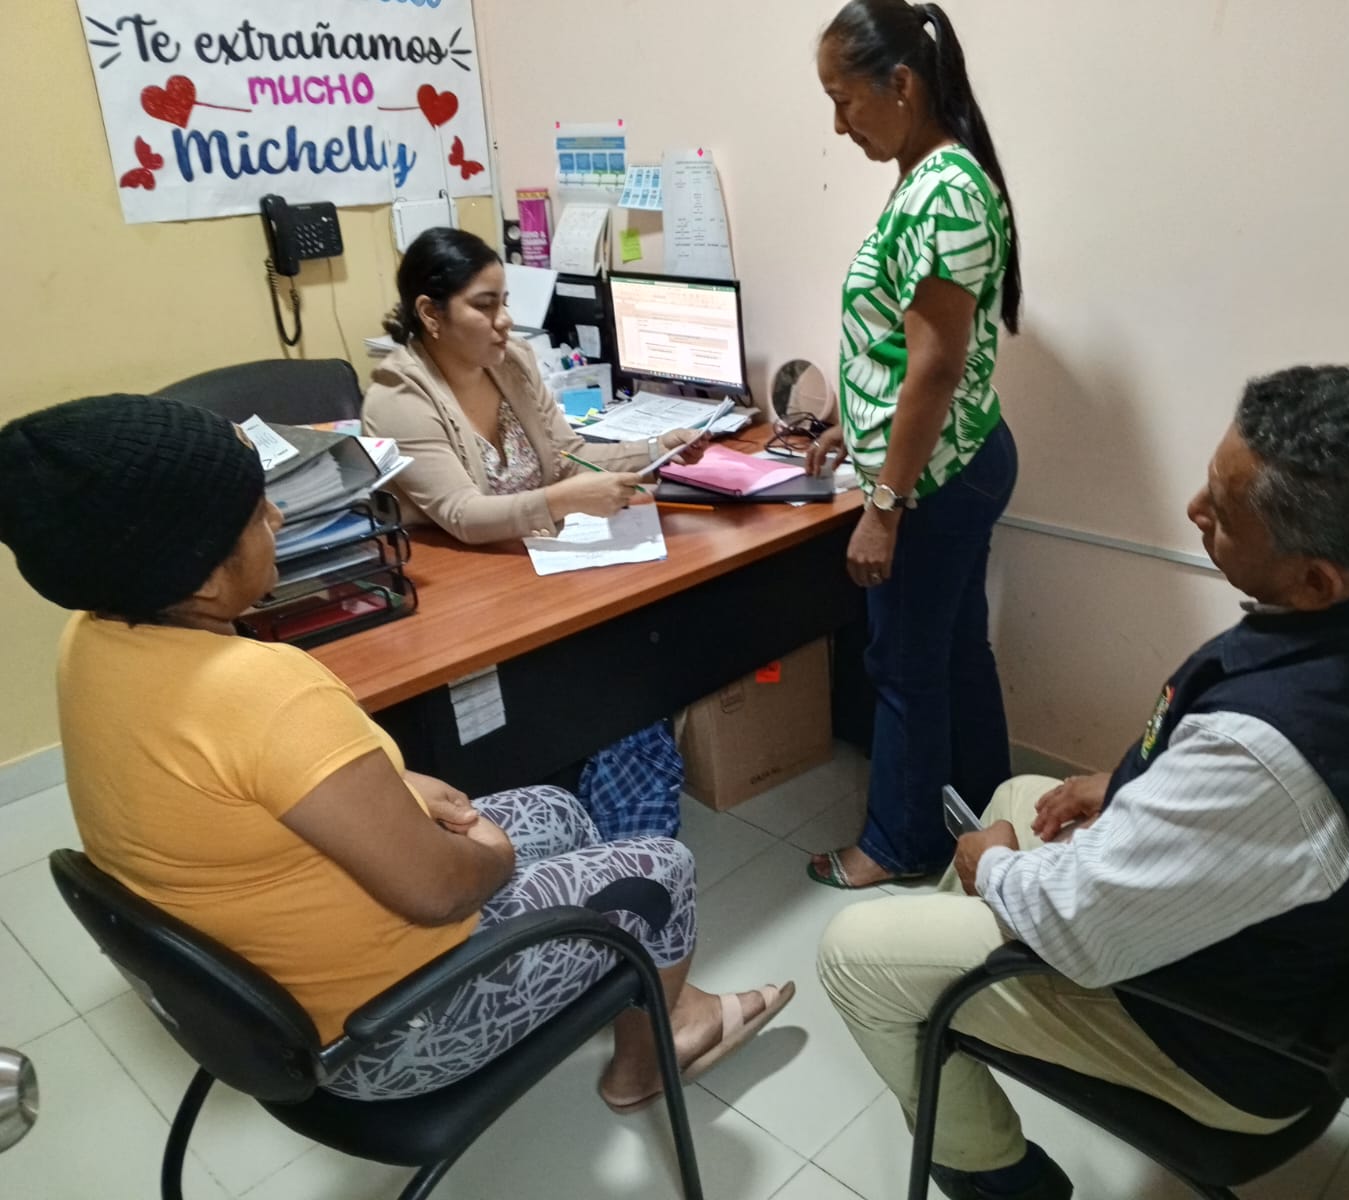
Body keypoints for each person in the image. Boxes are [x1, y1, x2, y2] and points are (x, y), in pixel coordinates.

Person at [817, 366, 1349, 1199]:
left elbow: (1078, 926)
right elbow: (1274, 809)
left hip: (1233, 1045)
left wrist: (990, 866)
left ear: (1317, 580)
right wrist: (1122, 785)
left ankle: (1000, 1178)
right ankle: (947, 1018)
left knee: (856, 953)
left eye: (1225, 510)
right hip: (1326, 957)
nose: (1193, 509)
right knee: (1017, 799)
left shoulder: (1271, 756)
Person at [0, 394, 792, 1108]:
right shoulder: (264, 690)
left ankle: (644, 1001)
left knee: (558, 807)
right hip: (385, 1034)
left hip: (271, 984)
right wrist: (490, 850)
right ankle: (648, 1060)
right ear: (204, 577)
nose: (277, 517)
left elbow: (245, 781)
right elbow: (441, 892)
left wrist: (394, 785)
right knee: (658, 868)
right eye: (255, 511)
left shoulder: (93, 638)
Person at [805, 0, 1023, 889]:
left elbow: (936, 365)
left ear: (901, 83)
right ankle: (983, 813)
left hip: (934, 479)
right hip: (953, 460)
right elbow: (901, 347)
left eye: (844, 100)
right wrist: (849, 422)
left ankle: (899, 847)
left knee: (902, 666)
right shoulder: (933, 176)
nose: (839, 124)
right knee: (955, 651)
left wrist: (884, 507)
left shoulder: (944, 190)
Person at [362, 227, 707, 544]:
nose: (505, 320)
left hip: (530, 553)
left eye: (504, 302)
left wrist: (657, 450)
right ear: (430, 313)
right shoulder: (399, 398)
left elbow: (568, 457)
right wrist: (564, 499)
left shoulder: (512, 361)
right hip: (460, 571)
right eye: (484, 305)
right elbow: (463, 514)